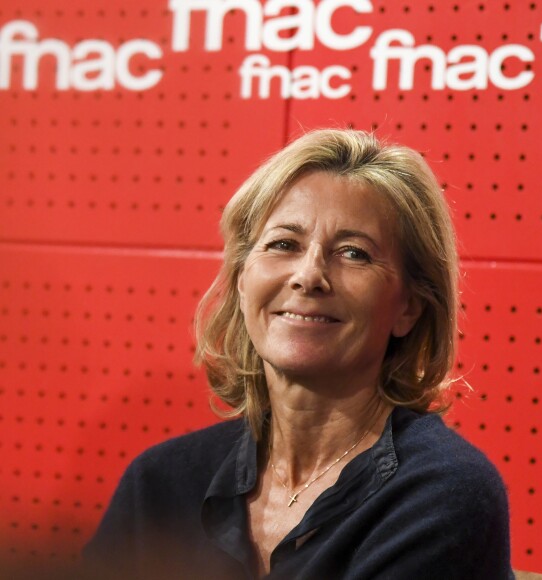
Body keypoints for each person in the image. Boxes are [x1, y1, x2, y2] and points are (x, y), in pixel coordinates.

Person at [83, 129, 514, 579]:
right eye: (283, 244)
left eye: (354, 253)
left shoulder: (442, 495)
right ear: (242, 280)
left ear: (409, 307)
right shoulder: (159, 483)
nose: (309, 276)